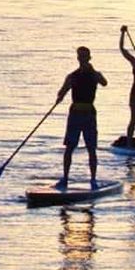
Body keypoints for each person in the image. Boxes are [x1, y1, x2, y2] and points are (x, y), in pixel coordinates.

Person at [55, 46, 108, 190]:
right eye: (80, 56)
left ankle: (93, 180)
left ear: (89, 58)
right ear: (78, 58)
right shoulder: (72, 76)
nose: (82, 59)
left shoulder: (95, 75)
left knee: (91, 148)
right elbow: (63, 91)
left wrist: (95, 72)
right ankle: (65, 178)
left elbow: (104, 83)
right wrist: (59, 97)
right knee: (69, 147)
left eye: (84, 56)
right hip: (75, 114)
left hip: (89, 113)